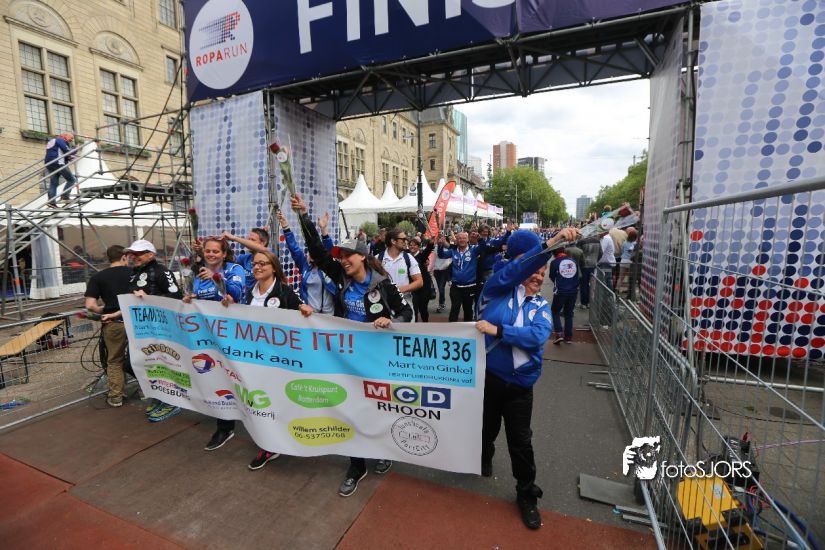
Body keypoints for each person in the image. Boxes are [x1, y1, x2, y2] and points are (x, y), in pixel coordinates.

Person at [291, 193, 413, 498]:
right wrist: (304, 217)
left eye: (348, 256)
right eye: (341, 256)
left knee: (377, 407)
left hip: (378, 359)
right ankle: (356, 465)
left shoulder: (383, 282)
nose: (343, 260)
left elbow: (406, 313)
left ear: (362, 257)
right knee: (350, 408)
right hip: (347, 357)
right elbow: (318, 253)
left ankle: (382, 450)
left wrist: (390, 320)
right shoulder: (340, 277)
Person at [475, 227, 577, 530]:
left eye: (543, 270)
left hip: (521, 387)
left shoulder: (541, 305)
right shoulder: (495, 288)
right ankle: (484, 456)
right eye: (534, 267)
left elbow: (536, 337)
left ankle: (526, 493)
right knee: (486, 428)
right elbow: (516, 269)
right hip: (491, 379)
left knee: (520, 442)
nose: (538, 274)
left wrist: (500, 331)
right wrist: (549, 245)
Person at [204, 249, 312, 469]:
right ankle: (267, 442)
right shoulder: (249, 292)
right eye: (254, 263)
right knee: (258, 402)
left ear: (274, 268)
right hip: (253, 359)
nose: (257, 267)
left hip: (277, 361)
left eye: (263, 263)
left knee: (275, 402)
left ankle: (273, 445)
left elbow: (303, 311)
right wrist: (229, 306)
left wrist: (306, 309)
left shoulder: (284, 291)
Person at [126, 239, 183, 421]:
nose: (134, 256)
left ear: (151, 254)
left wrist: (149, 298)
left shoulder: (162, 271)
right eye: (133, 253)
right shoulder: (135, 272)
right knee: (134, 363)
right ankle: (159, 394)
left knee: (164, 364)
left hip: (162, 329)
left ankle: (172, 400)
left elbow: (176, 296)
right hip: (141, 328)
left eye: (139, 253)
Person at [83, 245, 132, 407]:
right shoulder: (135, 273)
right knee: (141, 357)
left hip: (113, 324)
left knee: (114, 360)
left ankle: (116, 397)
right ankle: (147, 392)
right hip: (136, 321)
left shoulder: (98, 277)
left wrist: (105, 310)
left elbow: (90, 305)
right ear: (124, 257)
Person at [277, 209, 336, 315]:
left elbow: (329, 250)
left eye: (314, 252)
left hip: (329, 317)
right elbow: (294, 248)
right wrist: (285, 226)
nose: (311, 254)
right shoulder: (305, 266)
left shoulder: (329, 268)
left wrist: (323, 230)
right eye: (310, 252)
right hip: (309, 315)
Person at [437, 231, 482, 322]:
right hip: (456, 287)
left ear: (467, 239)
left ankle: (467, 330)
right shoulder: (453, 251)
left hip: (470, 287)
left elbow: (483, 248)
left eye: (464, 238)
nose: (462, 240)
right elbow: (441, 255)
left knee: (468, 310)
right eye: (459, 238)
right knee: (454, 309)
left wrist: (479, 239)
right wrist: (440, 245)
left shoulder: (473, 250)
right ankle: (451, 329)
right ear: (456, 240)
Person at [222, 228, 272, 296]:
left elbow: (264, 250)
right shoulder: (244, 258)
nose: (248, 242)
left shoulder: (269, 257)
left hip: (263, 298)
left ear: (263, 243)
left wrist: (234, 238)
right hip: (246, 300)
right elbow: (228, 258)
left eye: (253, 240)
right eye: (248, 239)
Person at [379, 228, 423, 305]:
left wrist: (398, 290)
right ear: (393, 241)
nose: (406, 242)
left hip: (405, 302)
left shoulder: (408, 258)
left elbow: (419, 282)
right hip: (384, 303)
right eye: (403, 239)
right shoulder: (378, 258)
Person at [548, 248, 580, 344]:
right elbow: (577, 275)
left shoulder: (554, 262)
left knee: (555, 311)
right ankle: (568, 337)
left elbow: (551, 276)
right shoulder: (573, 261)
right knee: (568, 314)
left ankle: (558, 334)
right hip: (573, 291)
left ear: (554, 254)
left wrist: (558, 282)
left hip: (560, 291)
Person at [44, 132, 77, 205]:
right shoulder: (60, 140)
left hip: (50, 164)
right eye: (71, 138)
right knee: (72, 179)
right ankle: (65, 196)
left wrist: (69, 157)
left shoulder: (54, 141)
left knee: (54, 183)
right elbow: (67, 151)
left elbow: (63, 153)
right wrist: (76, 149)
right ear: (65, 136)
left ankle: (51, 202)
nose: (71, 140)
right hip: (58, 163)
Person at [408, 236, 434, 321]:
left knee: (423, 309)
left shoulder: (422, 256)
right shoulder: (406, 257)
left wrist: (431, 242)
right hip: (412, 287)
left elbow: (428, 250)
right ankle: (414, 326)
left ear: (418, 247)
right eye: (410, 245)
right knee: (414, 309)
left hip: (424, 287)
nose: (412, 246)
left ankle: (425, 324)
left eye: (414, 245)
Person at [579, 236, 601, 310]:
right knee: (591, 285)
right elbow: (601, 253)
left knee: (583, 284)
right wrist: (596, 261)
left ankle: (584, 303)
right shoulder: (597, 241)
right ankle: (589, 303)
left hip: (584, 266)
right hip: (593, 265)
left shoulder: (581, 241)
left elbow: (579, 254)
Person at [617, 228, 638, 298]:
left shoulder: (625, 242)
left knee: (620, 277)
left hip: (623, 260)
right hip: (631, 262)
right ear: (635, 237)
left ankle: (617, 290)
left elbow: (622, 251)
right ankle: (629, 291)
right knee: (630, 277)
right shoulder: (635, 244)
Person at [432, 243, 452, 314]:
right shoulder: (436, 247)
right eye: (439, 239)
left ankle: (441, 304)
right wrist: (430, 269)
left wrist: (450, 274)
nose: (441, 240)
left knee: (441, 288)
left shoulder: (449, 248)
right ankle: (442, 302)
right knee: (440, 288)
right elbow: (434, 259)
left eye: (443, 239)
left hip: (445, 270)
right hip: (437, 271)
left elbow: (451, 260)